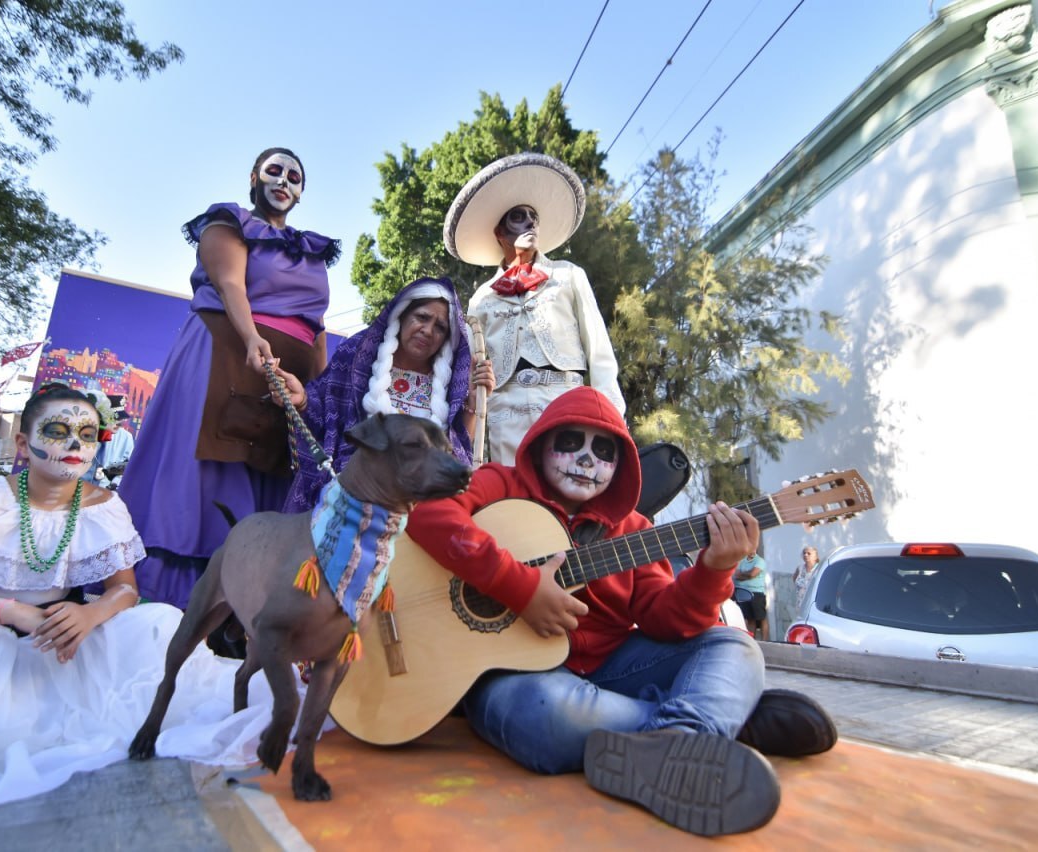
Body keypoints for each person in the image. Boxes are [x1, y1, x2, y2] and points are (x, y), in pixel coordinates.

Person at [0, 384, 303, 830]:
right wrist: (13, 613)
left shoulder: (105, 506)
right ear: (23, 445)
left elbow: (125, 591)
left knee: (156, 625)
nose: (74, 445)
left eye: (87, 434)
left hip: (61, 641)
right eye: (58, 430)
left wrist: (90, 614)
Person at [405, 386, 835, 837]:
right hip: (512, 676)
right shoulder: (498, 485)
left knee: (736, 646)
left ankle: (680, 739)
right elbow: (429, 514)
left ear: (620, 464)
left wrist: (715, 569)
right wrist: (519, 588)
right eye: (571, 442)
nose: (587, 460)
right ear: (542, 443)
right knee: (541, 710)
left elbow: (665, 620)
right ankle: (720, 727)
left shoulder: (636, 531)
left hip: (609, 669)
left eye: (603, 450)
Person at [119, 147, 338, 609]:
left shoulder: (312, 249)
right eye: (274, 171)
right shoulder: (231, 221)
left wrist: (320, 399)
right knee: (208, 476)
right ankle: (180, 604)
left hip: (285, 376)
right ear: (254, 177)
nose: (284, 181)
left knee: (273, 481)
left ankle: (248, 610)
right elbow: (229, 283)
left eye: (295, 177)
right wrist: (252, 338)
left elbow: (316, 326)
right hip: (226, 353)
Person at [444, 152, 625, 466]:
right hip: (504, 417)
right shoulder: (482, 298)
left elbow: (599, 351)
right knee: (519, 504)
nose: (529, 221)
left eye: (533, 216)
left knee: (574, 491)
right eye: (518, 216)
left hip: (568, 401)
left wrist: (610, 415)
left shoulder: (568, 275)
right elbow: (471, 368)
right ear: (499, 233)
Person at [271, 276, 495, 514]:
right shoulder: (357, 354)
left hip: (426, 497)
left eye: (440, 327)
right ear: (401, 314)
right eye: (422, 317)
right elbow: (327, 415)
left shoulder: (452, 380)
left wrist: (472, 403)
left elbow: (456, 448)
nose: (428, 331)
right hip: (356, 488)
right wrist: (302, 400)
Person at [734, 552, 770, 641]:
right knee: (750, 618)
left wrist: (745, 575)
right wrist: (748, 575)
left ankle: (765, 640)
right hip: (743, 593)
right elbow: (737, 575)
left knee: (761, 617)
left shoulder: (760, 561)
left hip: (756, 593)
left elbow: (753, 574)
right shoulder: (741, 561)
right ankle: (751, 639)